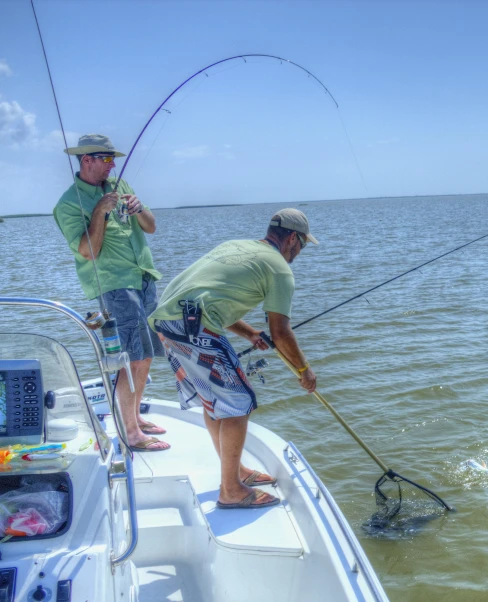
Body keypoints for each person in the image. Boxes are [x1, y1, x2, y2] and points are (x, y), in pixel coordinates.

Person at [148, 208, 318, 509]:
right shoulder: (279, 268)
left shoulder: (234, 246)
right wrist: (303, 370)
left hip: (168, 323)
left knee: (215, 401)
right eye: (302, 245)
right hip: (193, 328)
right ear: (292, 238)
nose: (299, 252)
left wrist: (251, 333)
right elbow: (280, 332)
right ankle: (231, 490)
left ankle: (236, 472)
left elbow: (208, 298)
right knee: (239, 401)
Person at [53, 134, 169, 452]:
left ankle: (135, 417)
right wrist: (99, 213)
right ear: (86, 160)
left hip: (144, 276)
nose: (112, 165)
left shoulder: (121, 184)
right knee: (131, 357)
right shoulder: (67, 204)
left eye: (113, 159)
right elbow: (87, 251)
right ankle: (130, 433)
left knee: (146, 356)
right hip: (114, 284)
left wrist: (138, 207)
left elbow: (151, 226)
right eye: (106, 159)